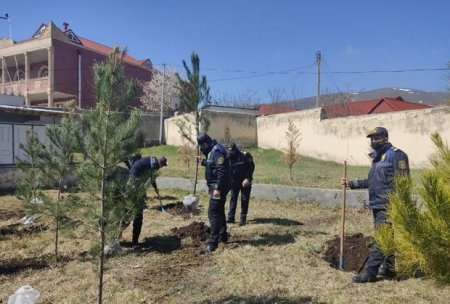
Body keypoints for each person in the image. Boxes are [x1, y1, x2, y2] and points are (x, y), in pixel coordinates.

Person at [342, 127, 409, 283]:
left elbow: (403, 182)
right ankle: (389, 269)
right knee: (388, 237)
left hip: (388, 204)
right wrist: (352, 183)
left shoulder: (396, 155)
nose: (373, 141)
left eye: (376, 138)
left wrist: (399, 204)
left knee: (381, 238)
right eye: (371, 139)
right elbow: (372, 182)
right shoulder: (378, 158)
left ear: (385, 138)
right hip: (377, 204)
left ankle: (370, 272)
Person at [196, 132, 232, 254]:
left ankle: (212, 244)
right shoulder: (213, 150)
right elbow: (213, 165)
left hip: (219, 186)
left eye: (201, 146)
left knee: (213, 213)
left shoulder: (216, 151)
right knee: (219, 211)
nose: (201, 149)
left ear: (205, 143)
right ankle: (223, 236)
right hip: (218, 185)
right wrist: (203, 162)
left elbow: (222, 171)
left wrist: (217, 188)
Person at [126, 155, 167, 248]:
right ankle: (134, 242)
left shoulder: (153, 159)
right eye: (162, 166)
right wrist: (155, 188)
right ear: (161, 164)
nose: (161, 167)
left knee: (133, 211)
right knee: (136, 214)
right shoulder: (155, 165)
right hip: (135, 178)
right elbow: (151, 178)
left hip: (133, 174)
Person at [226, 142, 255, 226]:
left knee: (244, 199)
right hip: (234, 181)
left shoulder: (245, 156)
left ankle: (243, 218)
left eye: (232, 152)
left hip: (244, 181)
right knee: (233, 199)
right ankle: (231, 218)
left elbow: (251, 167)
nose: (231, 154)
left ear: (236, 150)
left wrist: (248, 178)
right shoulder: (227, 155)